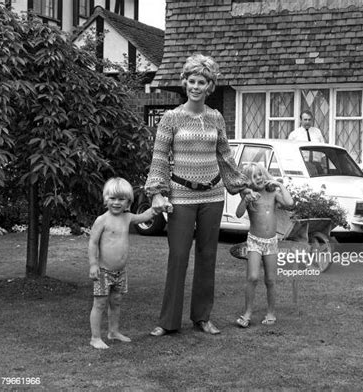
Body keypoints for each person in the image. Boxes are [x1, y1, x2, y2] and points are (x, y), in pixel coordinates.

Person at [145, 53, 257, 337]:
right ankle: (168, 322)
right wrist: (158, 193)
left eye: (202, 81)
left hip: (213, 196)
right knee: (179, 256)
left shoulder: (216, 117)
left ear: (210, 86)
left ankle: (202, 318)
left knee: (207, 257)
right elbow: (159, 157)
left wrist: (240, 184)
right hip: (181, 195)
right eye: (192, 80)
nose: (196, 86)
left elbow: (225, 155)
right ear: (185, 83)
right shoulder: (171, 118)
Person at [88, 177, 157, 349]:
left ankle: (113, 332)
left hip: (120, 271)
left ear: (128, 202)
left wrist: (158, 205)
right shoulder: (102, 220)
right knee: (100, 303)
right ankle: (95, 337)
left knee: (116, 301)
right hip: (103, 271)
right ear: (106, 199)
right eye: (113, 198)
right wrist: (93, 264)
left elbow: (145, 216)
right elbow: (93, 243)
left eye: (121, 199)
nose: (117, 203)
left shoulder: (127, 217)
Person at [235, 163, 294, 328]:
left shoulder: (272, 194)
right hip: (254, 241)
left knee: (270, 279)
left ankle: (271, 312)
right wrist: (245, 200)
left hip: (271, 242)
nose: (259, 178)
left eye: (260, 174)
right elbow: (239, 214)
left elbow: (289, 203)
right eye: (254, 176)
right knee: (252, 277)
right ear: (249, 181)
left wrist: (280, 185)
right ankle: (247, 313)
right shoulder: (250, 195)